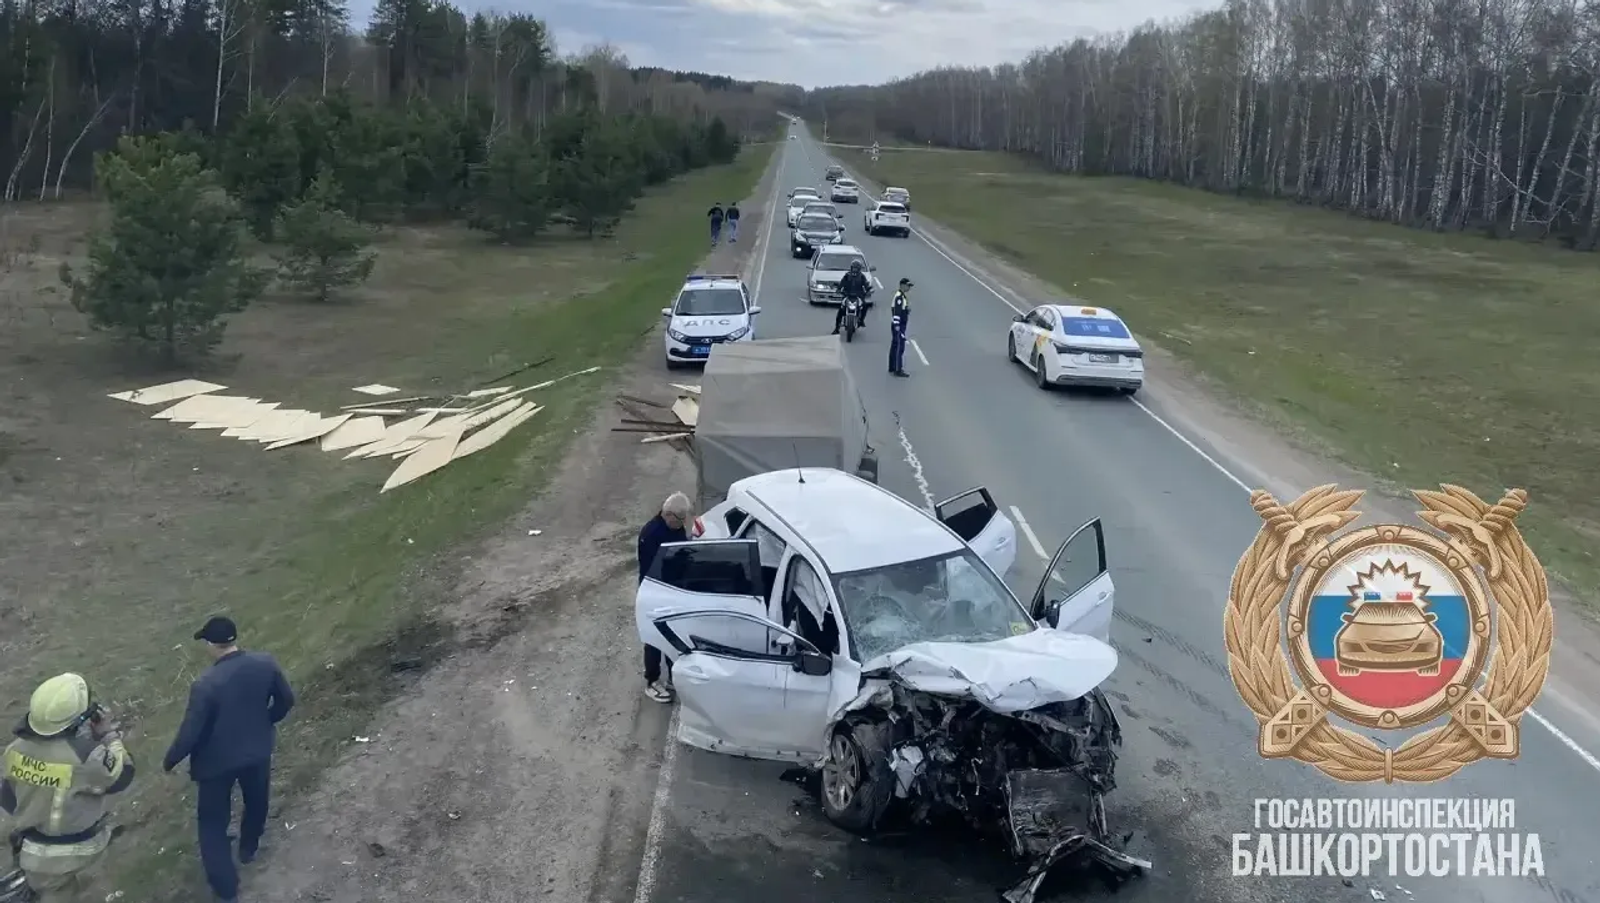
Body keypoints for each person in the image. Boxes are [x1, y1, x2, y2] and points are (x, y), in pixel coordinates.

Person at [164, 617, 295, 903]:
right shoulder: (265, 663)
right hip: (256, 752)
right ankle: (248, 848)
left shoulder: (206, 684)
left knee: (212, 823)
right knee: (257, 799)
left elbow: (191, 732)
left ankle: (226, 888)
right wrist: (265, 721)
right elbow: (286, 699)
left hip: (215, 764)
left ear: (211, 645)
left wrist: (171, 760)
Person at [1, 674, 134, 903]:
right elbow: (122, 775)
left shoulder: (14, 749)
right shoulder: (84, 758)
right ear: (79, 719)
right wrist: (108, 736)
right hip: (75, 852)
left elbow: (8, 799)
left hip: (30, 850)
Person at [639, 492, 691, 703]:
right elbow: (657, 570)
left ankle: (672, 676)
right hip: (655, 593)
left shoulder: (674, 528)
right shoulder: (652, 535)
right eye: (680, 520)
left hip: (671, 592)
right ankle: (652, 681)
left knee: (672, 636)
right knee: (654, 638)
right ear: (668, 514)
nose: (682, 525)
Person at [832, 261, 872, 335]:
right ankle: (837, 328)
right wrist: (838, 289)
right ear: (851, 268)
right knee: (840, 311)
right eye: (853, 268)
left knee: (865, 306)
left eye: (856, 268)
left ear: (859, 269)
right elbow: (842, 283)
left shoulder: (862, 276)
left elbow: (866, 285)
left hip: (858, 296)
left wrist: (868, 290)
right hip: (847, 295)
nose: (854, 270)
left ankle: (861, 320)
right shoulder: (847, 275)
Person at [888, 278, 913, 377]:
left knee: (894, 345)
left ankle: (892, 366)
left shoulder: (901, 296)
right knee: (899, 346)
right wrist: (897, 326)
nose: (909, 288)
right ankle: (898, 369)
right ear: (902, 285)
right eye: (908, 286)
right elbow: (897, 313)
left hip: (897, 325)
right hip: (898, 326)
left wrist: (906, 310)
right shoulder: (899, 298)